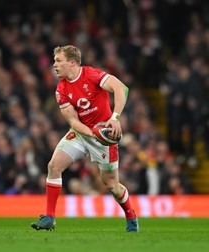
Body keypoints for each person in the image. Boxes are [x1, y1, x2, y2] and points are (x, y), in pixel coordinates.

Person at [31, 45, 139, 232]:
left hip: (105, 137)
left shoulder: (92, 75)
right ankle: (49, 217)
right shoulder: (61, 88)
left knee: (112, 185)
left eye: (58, 61)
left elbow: (121, 88)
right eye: (54, 61)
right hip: (82, 134)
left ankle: (130, 215)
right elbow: (73, 120)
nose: (54, 65)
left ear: (72, 63)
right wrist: (92, 133)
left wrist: (115, 118)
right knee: (53, 166)